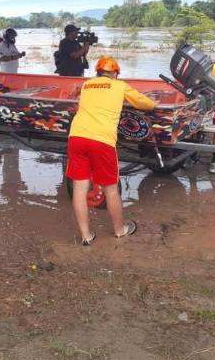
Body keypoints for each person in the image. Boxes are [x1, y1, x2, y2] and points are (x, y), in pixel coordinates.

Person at [66, 57, 156, 245]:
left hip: (76, 138)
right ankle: (120, 230)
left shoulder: (87, 85)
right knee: (111, 189)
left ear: (97, 72)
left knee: (79, 189)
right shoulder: (119, 85)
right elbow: (146, 104)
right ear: (115, 73)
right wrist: (153, 103)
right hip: (101, 140)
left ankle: (86, 236)